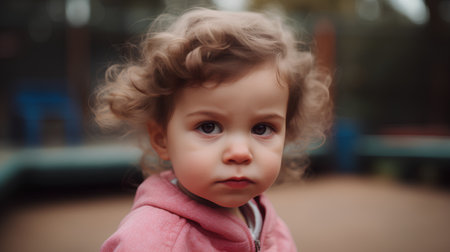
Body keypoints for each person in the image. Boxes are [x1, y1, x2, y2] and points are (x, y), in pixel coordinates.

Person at [94, 7, 332, 252]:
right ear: (162, 138)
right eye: (209, 127)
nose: (240, 152)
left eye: (262, 128)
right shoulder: (151, 242)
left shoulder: (265, 221)